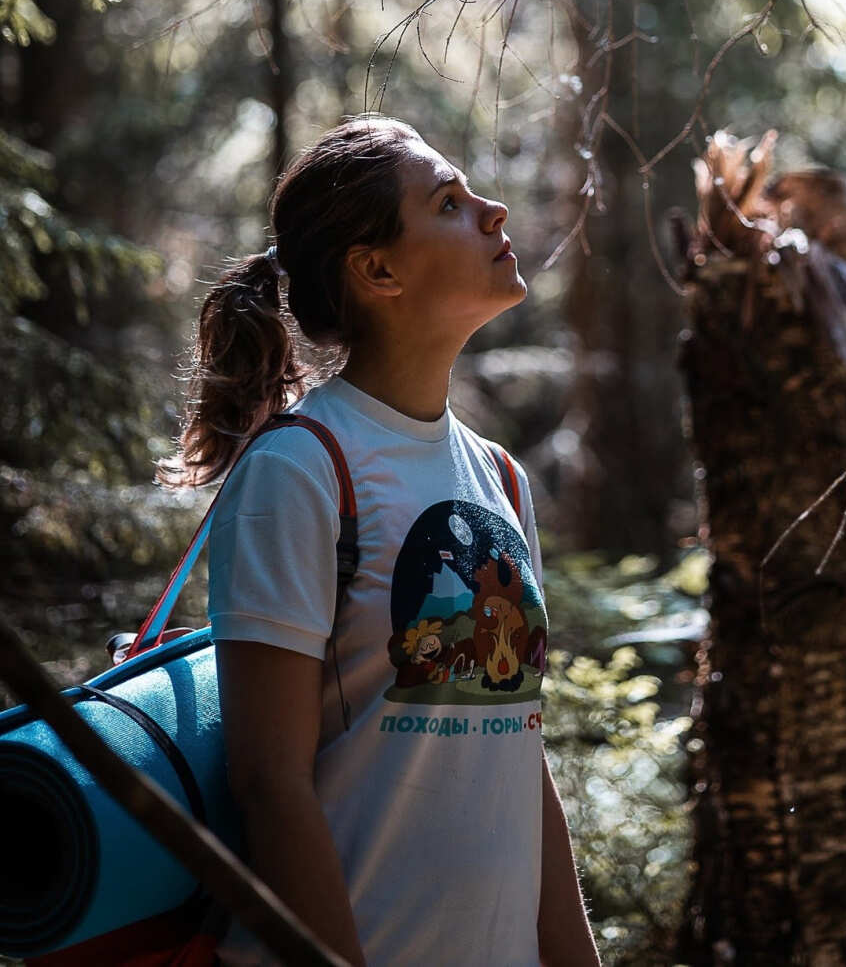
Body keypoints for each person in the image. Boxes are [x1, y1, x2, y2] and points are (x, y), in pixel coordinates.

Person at [162, 115, 601, 967]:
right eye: (448, 200)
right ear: (377, 270)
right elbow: (270, 784)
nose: (493, 210)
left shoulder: (499, 477)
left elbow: (517, 749)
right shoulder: (300, 469)